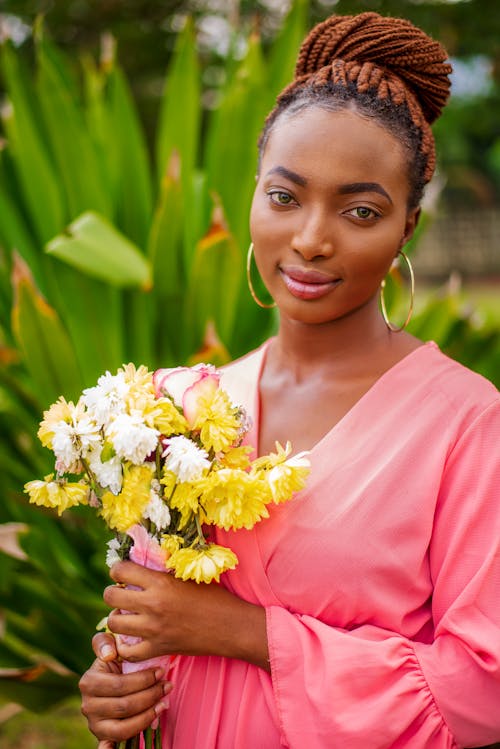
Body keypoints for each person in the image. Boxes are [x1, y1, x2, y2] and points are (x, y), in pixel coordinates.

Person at [79, 11, 500, 749]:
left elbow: (482, 689)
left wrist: (245, 632)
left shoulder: (467, 425)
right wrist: (116, 681)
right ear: (252, 198)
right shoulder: (177, 404)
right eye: (284, 196)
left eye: (360, 209)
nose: (310, 237)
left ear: (407, 228)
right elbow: (152, 626)